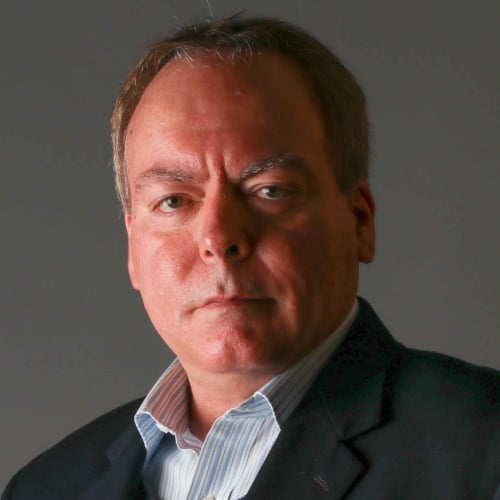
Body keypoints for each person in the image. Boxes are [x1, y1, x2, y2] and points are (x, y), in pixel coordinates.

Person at [3, 16, 499, 500]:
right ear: (133, 246)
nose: (219, 238)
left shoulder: (483, 451)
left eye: (269, 190)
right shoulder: (46, 487)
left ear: (359, 222)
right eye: (173, 200)